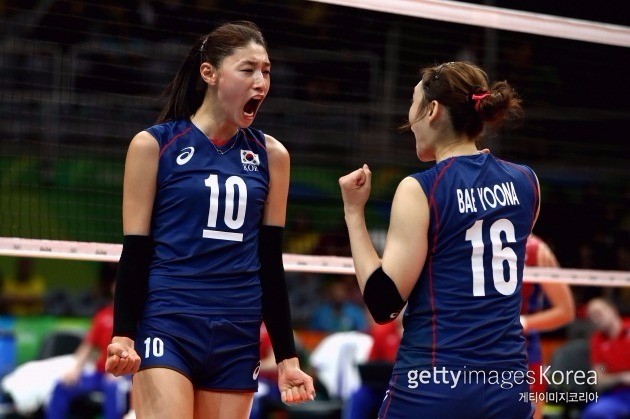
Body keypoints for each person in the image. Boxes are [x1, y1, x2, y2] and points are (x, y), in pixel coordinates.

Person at [104, 20, 314, 419]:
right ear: (210, 74)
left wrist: (287, 358)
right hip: (169, 319)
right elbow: (135, 250)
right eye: (248, 69)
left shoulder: (273, 157)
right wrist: (123, 334)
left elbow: (270, 262)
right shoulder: (154, 145)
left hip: (237, 328)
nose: (261, 81)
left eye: (266, 71)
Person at [339, 61, 539, 418]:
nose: (409, 118)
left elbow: (384, 305)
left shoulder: (421, 189)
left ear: (432, 110)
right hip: (509, 387)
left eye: (413, 104)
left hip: (435, 383)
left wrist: (354, 214)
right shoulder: (527, 182)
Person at [46, 263, 129, 419]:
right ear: (112, 287)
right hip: (99, 374)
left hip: (123, 375)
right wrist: (75, 369)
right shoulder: (102, 315)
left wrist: (121, 371)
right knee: (62, 384)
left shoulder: (136, 318)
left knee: (113, 387)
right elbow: (87, 346)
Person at [521, 234, 575, 419]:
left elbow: (566, 311)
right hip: (475, 348)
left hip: (524, 352)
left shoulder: (536, 250)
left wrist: (524, 322)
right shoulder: (462, 238)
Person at [581, 298, 630, 419]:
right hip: (618, 394)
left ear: (612, 310)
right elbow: (598, 379)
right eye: (591, 316)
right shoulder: (597, 341)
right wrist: (621, 377)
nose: (595, 319)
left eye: (598, 313)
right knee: (595, 413)